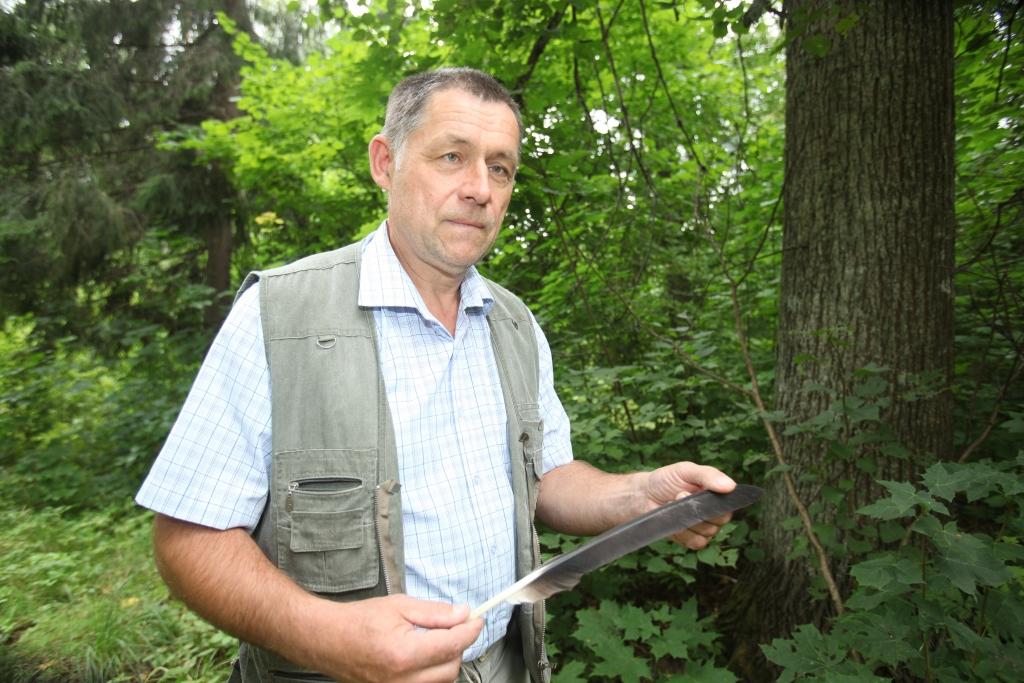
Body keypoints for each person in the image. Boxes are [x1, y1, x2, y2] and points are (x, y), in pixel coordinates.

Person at [136, 67, 737, 683]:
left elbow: (546, 478)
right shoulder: (278, 316)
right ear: (384, 162)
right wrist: (329, 638)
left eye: (500, 168)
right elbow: (189, 539)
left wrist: (643, 497)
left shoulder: (514, 324)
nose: (480, 188)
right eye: (453, 156)